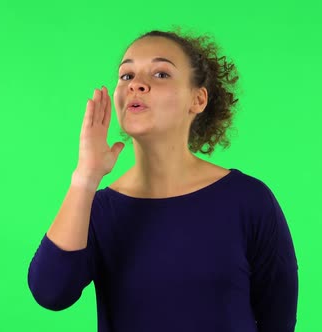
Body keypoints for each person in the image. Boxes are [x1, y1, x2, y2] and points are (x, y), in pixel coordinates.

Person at [27, 27, 299, 332]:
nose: (136, 85)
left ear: (198, 100)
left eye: (160, 74)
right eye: (127, 75)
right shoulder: (98, 209)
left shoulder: (249, 201)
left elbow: (279, 321)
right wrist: (86, 176)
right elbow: (50, 292)